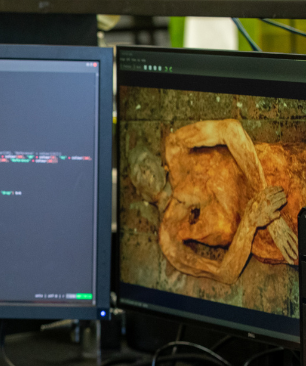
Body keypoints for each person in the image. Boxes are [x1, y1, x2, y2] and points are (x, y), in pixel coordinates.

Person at [128, 118, 300, 285]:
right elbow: (225, 274)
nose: (144, 170)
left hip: (276, 172)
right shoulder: (169, 237)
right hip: (268, 236)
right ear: (142, 195)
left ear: (157, 160)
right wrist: (250, 221)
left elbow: (231, 130)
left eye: (144, 159)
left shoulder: (175, 148)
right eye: (137, 173)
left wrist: (269, 212)